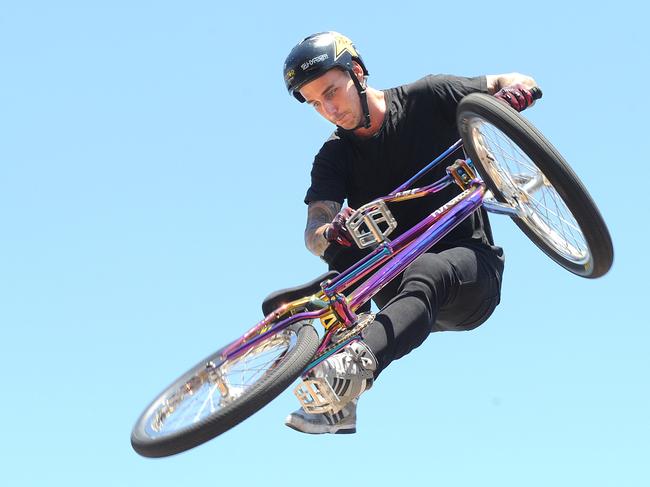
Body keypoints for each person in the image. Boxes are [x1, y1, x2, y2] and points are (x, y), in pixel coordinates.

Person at [281, 31, 538, 434]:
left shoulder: (428, 96)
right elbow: (314, 228)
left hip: (469, 275)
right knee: (342, 247)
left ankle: (358, 364)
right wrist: (331, 232)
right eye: (316, 103)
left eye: (332, 91)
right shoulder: (334, 156)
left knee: (429, 268)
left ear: (358, 73)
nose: (329, 109)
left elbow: (511, 78)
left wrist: (516, 93)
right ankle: (335, 388)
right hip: (394, 282)